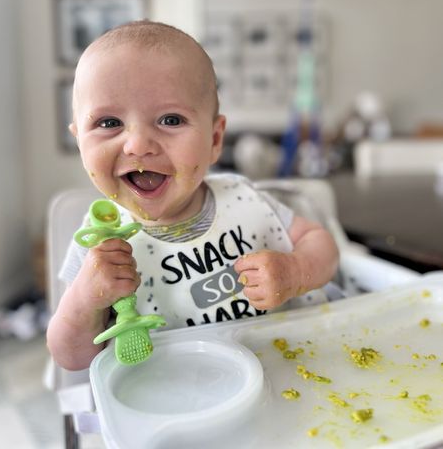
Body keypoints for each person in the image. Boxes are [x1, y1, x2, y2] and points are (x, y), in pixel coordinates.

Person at [46, 20, 339, 371]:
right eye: (109, 123)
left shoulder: (243, 199)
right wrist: (85, 300)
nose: (137, 144)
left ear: (215, 140)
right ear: (80, 140)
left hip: (286, 371)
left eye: (170, 120)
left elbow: (319, 242)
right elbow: (70, 358)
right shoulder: (98, 246)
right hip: (179, 403)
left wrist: (296, 271)